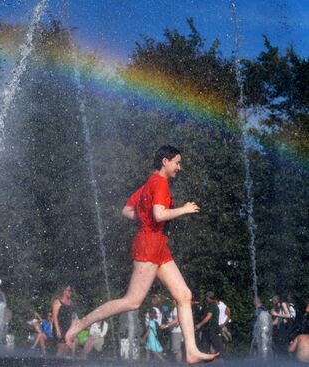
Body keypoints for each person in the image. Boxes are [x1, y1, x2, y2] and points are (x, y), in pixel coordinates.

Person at [64, 145, 219, 364]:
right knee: (132, 301)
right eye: (177, 162)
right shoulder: (160, 183)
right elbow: (158, 214)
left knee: (184, 295)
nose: (179, 167)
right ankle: (79, 325)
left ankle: (191, 351)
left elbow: (126, 211)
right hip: (148, 245)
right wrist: (184, 209)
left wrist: (146, 219)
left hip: (159, 246)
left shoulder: (149, 183)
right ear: (165, 161)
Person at [53, 284, 76, 357]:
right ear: (64, 291)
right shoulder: (57, 302)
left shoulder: (71, 302)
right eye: (68, 290)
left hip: (68, 327)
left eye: (71, 290)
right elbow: (55, 317)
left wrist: (72, 329)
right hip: (59, 327)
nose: (70, 292)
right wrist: (57, 329)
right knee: (60, 348)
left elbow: (72, 317)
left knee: (67, 347)